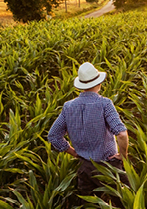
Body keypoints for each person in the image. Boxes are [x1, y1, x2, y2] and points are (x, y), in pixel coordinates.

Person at [48, 62, 129, 197]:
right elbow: (121, 134)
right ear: (99, 84)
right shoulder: (105, 104)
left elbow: (53, 136)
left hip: (84, 167)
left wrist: (74, 153)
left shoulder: (68, 107)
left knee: (89, 205)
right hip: (108, 166)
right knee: (127, 201)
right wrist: (123, 156)